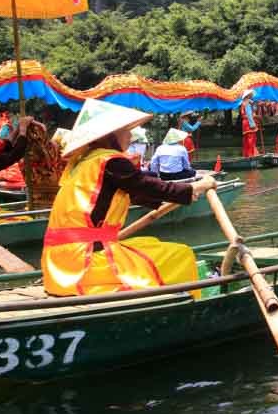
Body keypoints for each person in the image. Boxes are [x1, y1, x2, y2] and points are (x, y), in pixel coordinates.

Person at [41, 99, 216, 297]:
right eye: (126, 130)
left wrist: (182, 193)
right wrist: (195, 186)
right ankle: (184, 308)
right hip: (84, 264)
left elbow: (136, 191)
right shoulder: (110, 161)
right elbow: (143, 185)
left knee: (150, 244)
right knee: (181, 255)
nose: (131, 136)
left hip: (59, 263)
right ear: (110, 135)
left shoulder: (84, 163)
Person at [239, 90, 259, 158]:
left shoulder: (245, 103)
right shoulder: (247, 103)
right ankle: (251, 155)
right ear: (247, 96)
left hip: (246, 123)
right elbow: (249, 115)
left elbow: (246, 114)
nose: (251, 96)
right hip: (249, 123)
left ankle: (248, 154)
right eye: (250, 95)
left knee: (248, 139)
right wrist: (255, 116)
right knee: (251, 139)